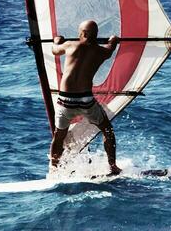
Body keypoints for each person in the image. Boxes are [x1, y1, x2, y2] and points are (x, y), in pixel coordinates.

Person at [48, 20, 121, 174]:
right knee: (107, 130)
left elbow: (55, 50)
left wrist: (57, 41)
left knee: (59, 135)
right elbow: (111, 46)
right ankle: (113, 166)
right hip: (85, 100)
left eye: (80, 32)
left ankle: (53, 168)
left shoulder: (70, 45)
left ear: (84, 34)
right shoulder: (101, 51)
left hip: (65, 100)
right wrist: (113, 40)